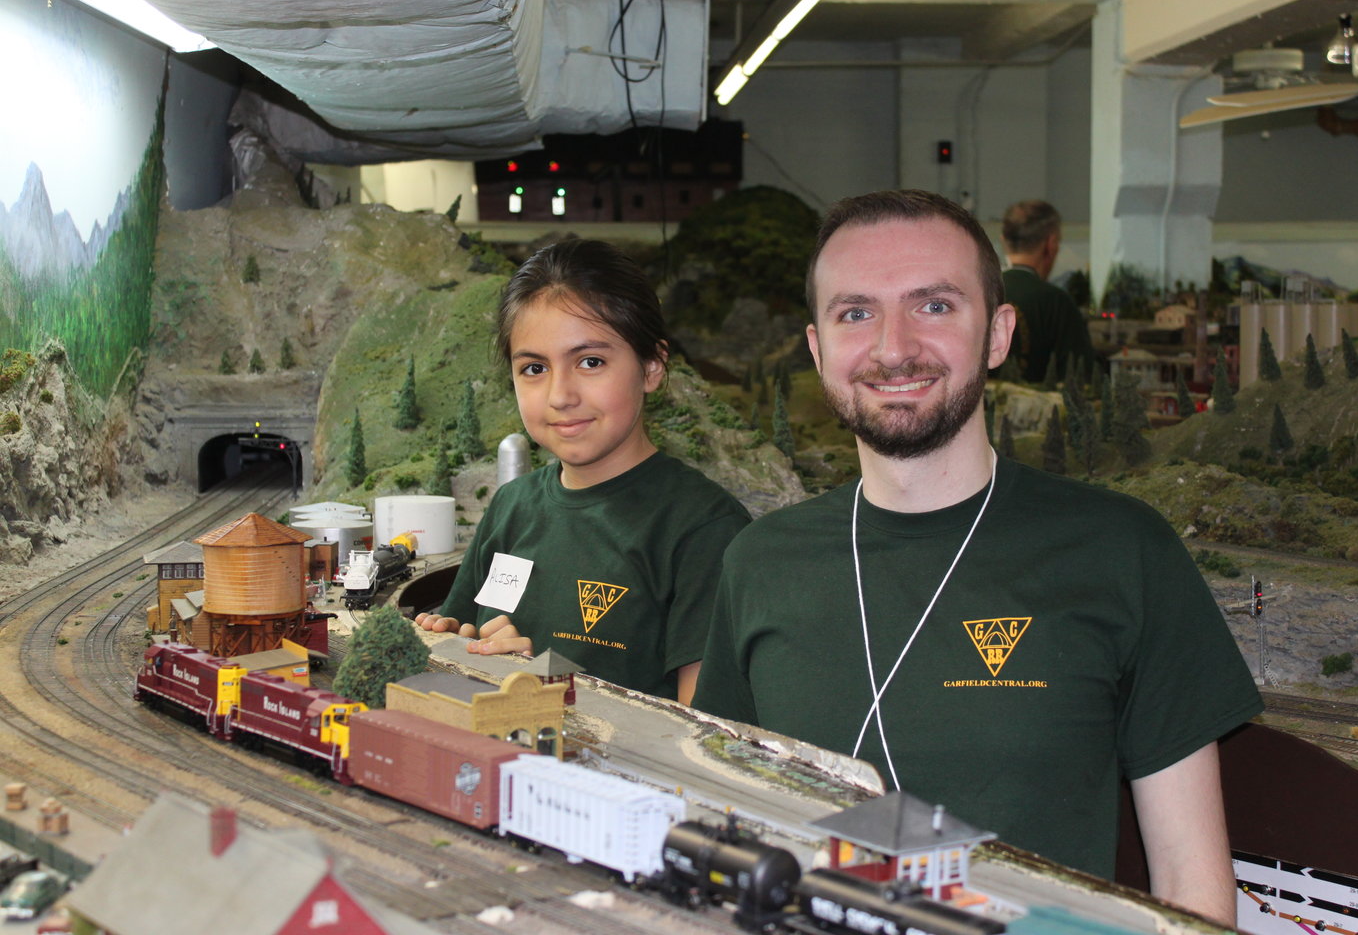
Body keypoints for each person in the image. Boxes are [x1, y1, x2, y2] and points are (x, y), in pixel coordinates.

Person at [693, 189, 1261, 926]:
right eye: (856, 313)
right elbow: (723, 821)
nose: (894, 347)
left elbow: (1192, 890)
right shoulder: (758, 564)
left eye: (933, 306)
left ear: (997, 335)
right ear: (817, 348)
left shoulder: (1121, 551)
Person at [414, 239, 750, 704]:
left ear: (652, 366)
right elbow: (467, 636)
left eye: (590, 362)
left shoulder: (703, 529)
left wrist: (543, 693)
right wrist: (454, 645)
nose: (560, 395)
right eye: (534, 368)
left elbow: (702, 738)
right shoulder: (512, 507)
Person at [998, 199, 1094, 383]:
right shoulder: (1057, 303)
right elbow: (1080, 377)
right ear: (1051, 245)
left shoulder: (980, 293)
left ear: (1003, 241)